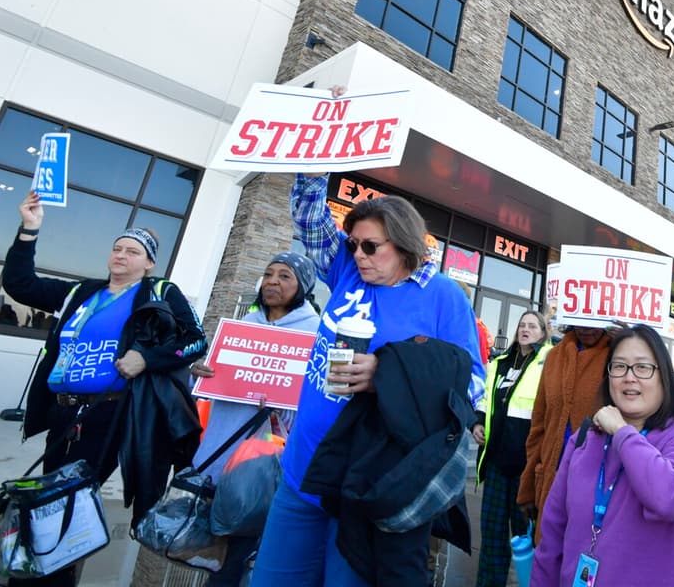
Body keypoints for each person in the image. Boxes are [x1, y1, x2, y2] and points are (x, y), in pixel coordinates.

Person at [251, 172, 485, 587]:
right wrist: (319, 162)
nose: (359, 254)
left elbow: (469, 384)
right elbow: (309, 220)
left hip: (365, 487)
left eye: (372, 246)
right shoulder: (348, 272)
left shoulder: (442, 295)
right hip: (302, 472)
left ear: (405, 245)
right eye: (354, 244)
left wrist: (388, 375)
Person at [2, 191, 207, 587]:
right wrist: (29, 229)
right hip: (64, 414)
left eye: (132, 251)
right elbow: (20, 284)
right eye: (117, 248)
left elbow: (196, 340)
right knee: (51, 504)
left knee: (62, 506)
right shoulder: (83, 292)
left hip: (108, 415)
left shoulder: (158, 292)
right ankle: (37, 576)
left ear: (148, 263)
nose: (121, 255)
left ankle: (40, 579)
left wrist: (147, 358)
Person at [530, 325, 674, 586]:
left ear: (664, 377)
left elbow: (669, 497)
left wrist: (621, 431)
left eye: (643, 367)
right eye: (619, 366)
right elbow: (552, 535)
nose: (629, 377)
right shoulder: (583, 441)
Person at [190, 252, 322, 587]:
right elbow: (211, 388)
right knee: (209, 552)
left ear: (303, 286)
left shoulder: (315, 334)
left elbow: (314, 399)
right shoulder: (242, 326)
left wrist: (280, 400)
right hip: (219, 456)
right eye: (268, 274)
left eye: (284, 276)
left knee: (237, 558)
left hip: (262, 465)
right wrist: (201, 375)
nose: (273, 282)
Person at [472, 310, 550, 587]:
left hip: (526, 467)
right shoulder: (501, 362)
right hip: (495, 463)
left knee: (526, 537)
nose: (525, 329)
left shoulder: (548, 361)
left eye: (532, 326)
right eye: (522, 325)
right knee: (492, 536)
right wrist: (477, 423)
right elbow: (485, 402)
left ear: (543, 332)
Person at [517, 324, 612, 540]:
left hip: (594, 492)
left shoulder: (615, 355)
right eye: (581, 322)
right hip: (551, 483)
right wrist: (529, 486)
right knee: (546, 559)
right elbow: (539, 426)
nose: (587, 328)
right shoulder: (554, 357)